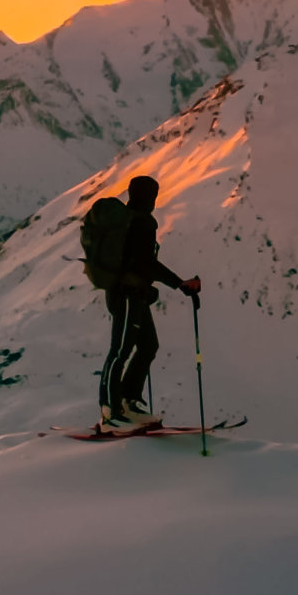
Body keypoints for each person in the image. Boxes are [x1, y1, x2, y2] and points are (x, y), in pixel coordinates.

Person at [99, 175, 201, 433]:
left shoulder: (130, 221)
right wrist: (179, 283)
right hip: (127, 296)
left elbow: (141, 264)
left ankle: (126, 401)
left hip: (131, 295)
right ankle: (111, 410)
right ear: (150, 196)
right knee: (121, 350)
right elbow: (147, 264)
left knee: (147, 345)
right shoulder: (141, 223)